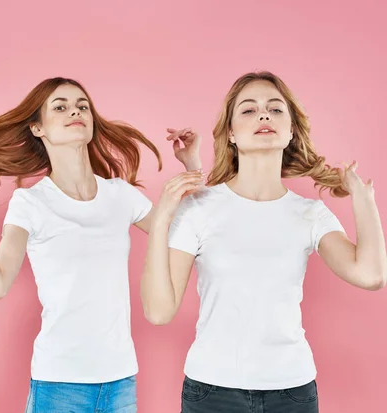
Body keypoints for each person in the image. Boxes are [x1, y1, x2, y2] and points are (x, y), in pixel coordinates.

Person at [0, 77, 198, 412]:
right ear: (37, 129)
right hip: (59, 385)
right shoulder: (30, 203)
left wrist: (192, 166)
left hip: (120, 382)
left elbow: (186, 234)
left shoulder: (120, 195)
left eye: (82, 106)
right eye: (60, 107)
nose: (75, 110)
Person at [141, 71, 386, 413]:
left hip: (292, 393)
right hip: (212, 393)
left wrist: (364, 199)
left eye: (275, 109)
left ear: (290, 132)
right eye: (248, 110)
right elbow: (159, 311)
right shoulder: (198, 208)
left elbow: (371, 275)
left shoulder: (311, 213)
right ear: (231, 133)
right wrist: (166, 214)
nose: (263, 115)